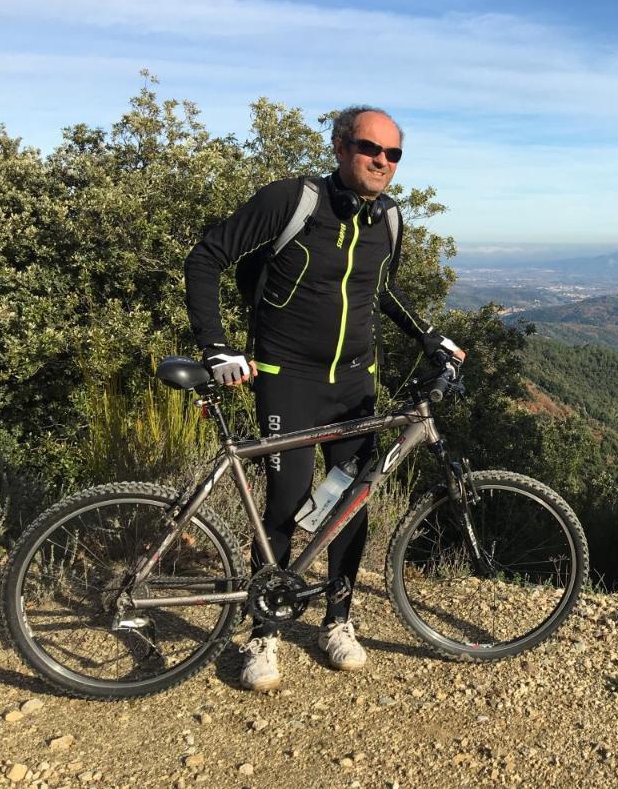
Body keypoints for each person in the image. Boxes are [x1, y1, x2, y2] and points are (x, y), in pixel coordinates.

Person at [184, 106, 463, 692]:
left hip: (357, 382)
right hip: (289, 377)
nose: (382, 162)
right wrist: (216, 348)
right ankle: (264, 632)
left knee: (350, 502)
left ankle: (338, 621)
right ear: (340, 147)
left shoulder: (388, 217)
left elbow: (381, 289)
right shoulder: (294, 199)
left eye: (393, 154)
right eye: (370, 149)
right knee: (286, 503)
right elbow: (207, 256)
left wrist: (427, 335)